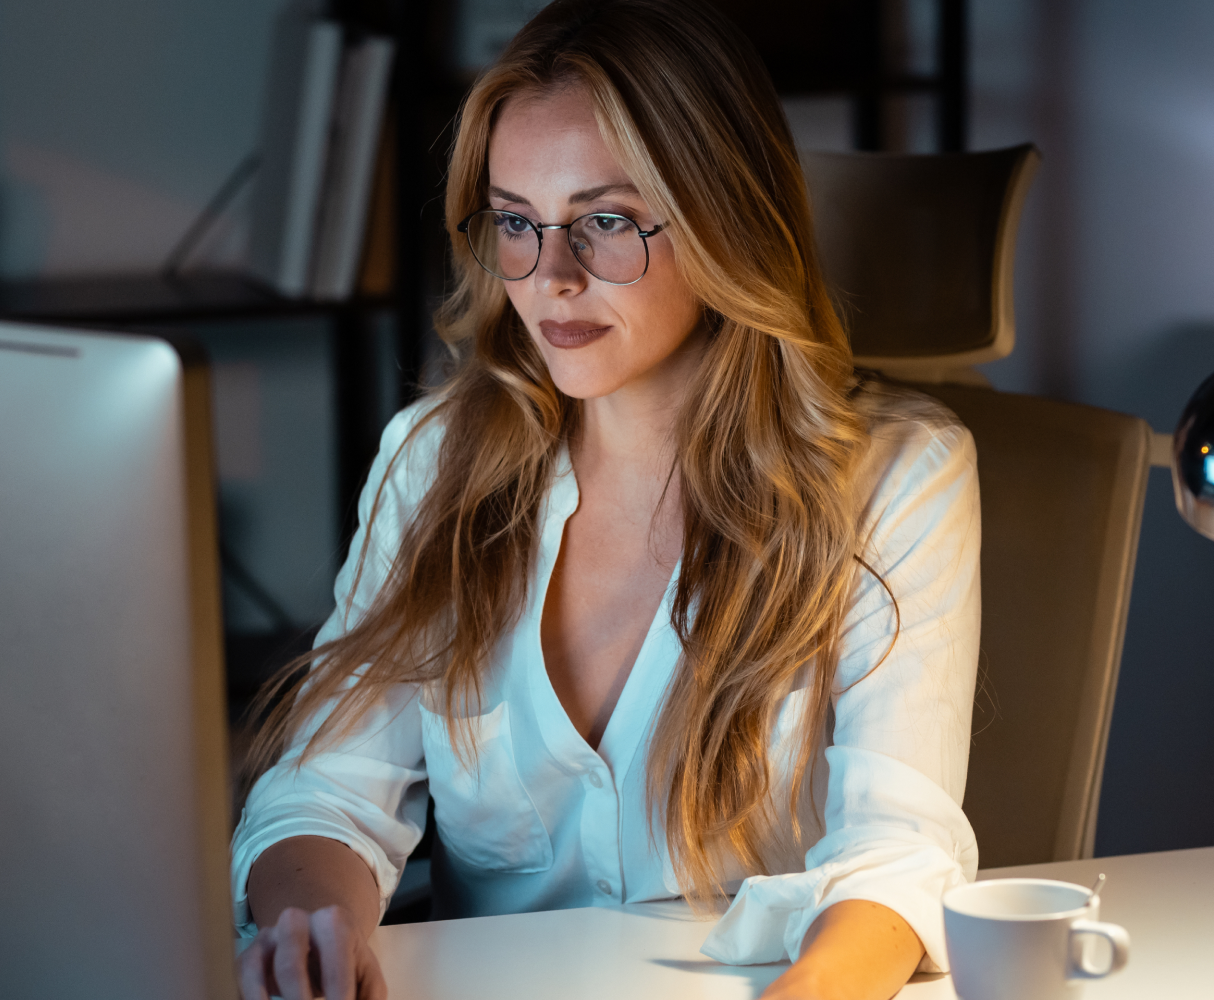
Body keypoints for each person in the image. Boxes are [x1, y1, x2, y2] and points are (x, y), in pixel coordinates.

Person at [232, 1, 981, 998]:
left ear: (726, 216)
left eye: (604, 222)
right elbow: (324, 792)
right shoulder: (431, 463)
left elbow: (897, 852)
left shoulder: (898, 478)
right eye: (515, 223)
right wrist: (310, 935)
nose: (548, 278)